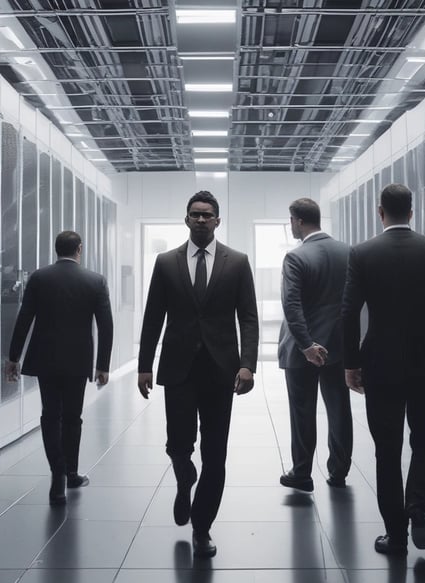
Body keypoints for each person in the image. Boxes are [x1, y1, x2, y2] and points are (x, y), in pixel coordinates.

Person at [342, 184, 425, 555]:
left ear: (380, 212)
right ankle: (418, 507)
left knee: (387, 449)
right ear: (411, 212)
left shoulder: (362, 253)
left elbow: (349, 313)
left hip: (379, 364)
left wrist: (351, 363)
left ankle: (395, 535)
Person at [137, 190, 259, 559]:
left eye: (207, 215)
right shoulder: (165, 262)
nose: (201, 219)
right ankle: (184, 476)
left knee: (215, 452)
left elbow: (249, 318)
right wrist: (144, 364)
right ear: (186, 219)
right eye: (195, 214)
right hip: (178, 368)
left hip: (222, 370)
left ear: (218, 220)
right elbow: (153, 316)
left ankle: (202, 527)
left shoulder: (237, 262)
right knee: (178, 444)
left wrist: (248, 364)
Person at [6, 230, 113, 506]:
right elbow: (106, 325)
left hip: (45, 358)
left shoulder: (40, 278)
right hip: (78, 360)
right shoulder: (95, 281)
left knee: (50, 414)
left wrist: (13, 357)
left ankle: (57, 474)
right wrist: (103, 365)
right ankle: (71, 472)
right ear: (79, 248)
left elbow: (24, 319)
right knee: (72, 416)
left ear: (57, 250)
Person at [278, 198, 352, 492]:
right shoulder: (348, 252)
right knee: (339, 408)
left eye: (291, 221)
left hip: (302, 350)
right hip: (337, 346)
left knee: (302, 411)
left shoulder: (296, 257)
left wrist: (307, 345)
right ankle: (339, 471)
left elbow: (291, 306)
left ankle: (302, 473)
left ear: (297, 220)